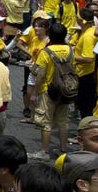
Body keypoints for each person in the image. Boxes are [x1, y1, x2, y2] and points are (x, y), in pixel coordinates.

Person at [31, 23, 74, 159]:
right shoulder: (70, 50)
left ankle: (44, 151)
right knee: (63, 121)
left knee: (46, 122)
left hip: (48, 89)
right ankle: (63, 149)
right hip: (66, 89)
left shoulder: (46, 52)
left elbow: (41, 74)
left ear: (50, 35)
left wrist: (34, 92)